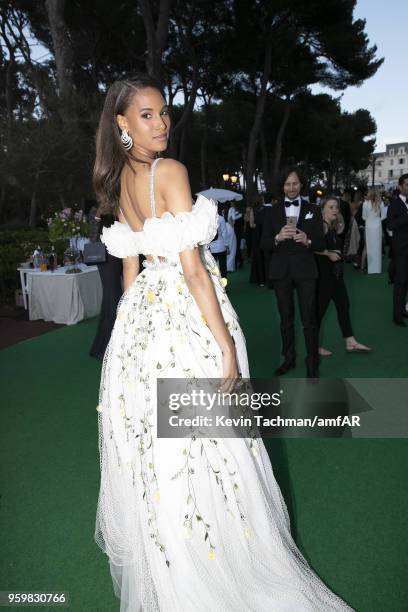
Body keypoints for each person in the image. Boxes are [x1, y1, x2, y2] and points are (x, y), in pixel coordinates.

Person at [93, 75, 353, 612]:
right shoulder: (169, 171)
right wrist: (224, 344)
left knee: (158, 452)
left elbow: (129, 272)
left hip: (140, 327)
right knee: (212, 444)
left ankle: (173, 569)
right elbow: (192, 269)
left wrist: (126, 334)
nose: (161, 123)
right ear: (122, 123)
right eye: (147, 115)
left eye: (163, 113)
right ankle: (216, 565)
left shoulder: (117, 178)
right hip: (184, 318)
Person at [261, 167, 326, 378]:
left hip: (306, 271)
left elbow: (320, 243)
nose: (291, 188)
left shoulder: (313, 210)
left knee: (309, 320)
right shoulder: (271, 211)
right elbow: (263, 244)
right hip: (281, 272)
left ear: (301, 185)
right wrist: (277, 238)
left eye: (295, 183)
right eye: (288, 184)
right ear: (282, 186)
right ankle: (288, 359)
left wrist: (307, 240)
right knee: (286, 320)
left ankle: (312, 364)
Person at [315, 196, 371, 356]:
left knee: (344, 306)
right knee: (319, 313)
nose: (335, 210)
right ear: (322, 209)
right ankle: (315, 347)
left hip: (335, 276)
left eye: (336, 207)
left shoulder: (330, 226)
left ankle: (350, 341)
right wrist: (328, 253)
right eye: (331, 207)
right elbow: (309, 246)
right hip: (324, 277)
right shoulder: (322, 226)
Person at [88, 204, 123, 360]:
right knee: (113, 297)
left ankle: (104, 346)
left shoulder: (123, 204)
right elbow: (93, 238)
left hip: (126, 253)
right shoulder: (96, 209)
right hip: (106, 259)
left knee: (116, 298)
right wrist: (98, 216)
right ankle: (107, 348)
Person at [387, 173, 408, 325]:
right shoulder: (394, 205)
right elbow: (390, 225)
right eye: (407, 184)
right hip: (401, 250)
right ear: (400, 187)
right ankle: (397, 315)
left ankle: (402, 310)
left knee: (406, 283)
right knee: (400, 283)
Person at [250, 193, 274, 287]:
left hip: (257, 235)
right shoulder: (267, 209)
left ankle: (261, 280)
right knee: (267, 257)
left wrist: (258, 225)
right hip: (265, 234)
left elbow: (251, 224)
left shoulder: (254, 210)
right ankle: (269, 280)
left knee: (259, 258)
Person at [362, 189, 386, 274]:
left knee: (370, 247)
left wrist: (371, 219)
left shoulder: (365, 203)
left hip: (369, 226)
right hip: (377, 226)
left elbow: (364, 217)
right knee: (377, 247)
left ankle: (371, 269)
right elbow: (383, 216)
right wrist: (377, 220)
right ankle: (377, 269)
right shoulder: (381, 203)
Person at [209, 202, 229, 280]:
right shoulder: (221, 218)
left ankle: (215, 286)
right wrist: (227, 245)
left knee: (212, 267)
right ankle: (224, 287)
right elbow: (224, 233)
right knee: (223, 267)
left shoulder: (207, 219)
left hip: (211, 247)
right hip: (221, 246)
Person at [228, 201, 244, 268]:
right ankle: (238, 261)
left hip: (237, 231)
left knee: (236, 247)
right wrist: (239, 215)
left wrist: (239, 215)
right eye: (231, 203)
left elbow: (234, 219)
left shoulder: (235, 211)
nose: (232, 204)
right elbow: (233, 219)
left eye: (233, 203)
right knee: (235, 247)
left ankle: (239, 261)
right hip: (234, 231)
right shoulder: (232, 210)